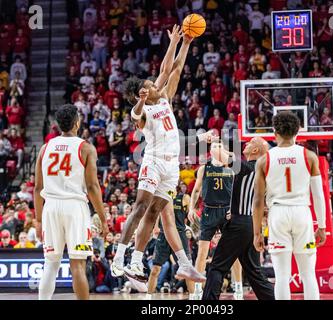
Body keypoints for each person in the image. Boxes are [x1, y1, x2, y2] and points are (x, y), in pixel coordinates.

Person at [110, 26, 206, 284]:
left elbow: (169, 70)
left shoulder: (163, 99)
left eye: (153, 84)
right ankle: (119, 256)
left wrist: (181, 42)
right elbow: (136, 116)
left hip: (171, 167)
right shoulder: (141, 111)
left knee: (154, 214)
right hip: (152, 161)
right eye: (149, 85)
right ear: (141, 93)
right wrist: (140, 100)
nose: (155, 83)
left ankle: (136, 261)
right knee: (141, 207)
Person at [34, 104, 109, 300]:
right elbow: (93, 186)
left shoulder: (44, 148)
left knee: (50, 263)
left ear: (58, 125)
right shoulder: (85, 147)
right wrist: (103, 217)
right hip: (75, 207)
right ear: (77, 122)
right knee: (78, 265)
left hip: (50, 206)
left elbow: (36, 188)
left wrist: (39, 220)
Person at [252, 112, 327, 300]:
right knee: (308, 274)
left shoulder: (264, 160)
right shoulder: (309, 156)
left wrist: (257, 233)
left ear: (274, 132)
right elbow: (318, 195)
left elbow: (258, 200)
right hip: (302, 212)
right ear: (298, 131)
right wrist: (322, 226)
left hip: (277, 214)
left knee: (282, 277)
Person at [202, 137, 275, 301]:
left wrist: (214, 141)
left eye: (250, 143)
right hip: (250, 224)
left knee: (217, 268)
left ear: (256, 150)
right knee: (254, 273)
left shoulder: (248, 167)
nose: (246, 144)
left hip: (239, 224)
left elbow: (217, 153)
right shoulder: (259, 169)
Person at [188, 141, 236, 300]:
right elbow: (196, 190)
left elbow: (236, 194)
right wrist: (191, 209)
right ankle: (197, 288)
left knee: (234, 251)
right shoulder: (204, 168)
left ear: (225, 150)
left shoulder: (232, 169)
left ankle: (238, 288)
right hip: (209, 210)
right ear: (210, 150)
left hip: (226, 212)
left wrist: (233, 210)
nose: (216, 147)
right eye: (214, 146)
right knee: (202, 251)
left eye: (220, 146)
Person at [146, 187, 193, 298]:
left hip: (180, 234)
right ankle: (148, 297)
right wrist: (156, 227)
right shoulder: (163, 195)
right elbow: (157, 212)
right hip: (163, 235)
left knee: (187, 268)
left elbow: (189, 215)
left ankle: (194, 296)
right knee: (155, 269)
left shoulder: (184, 197)